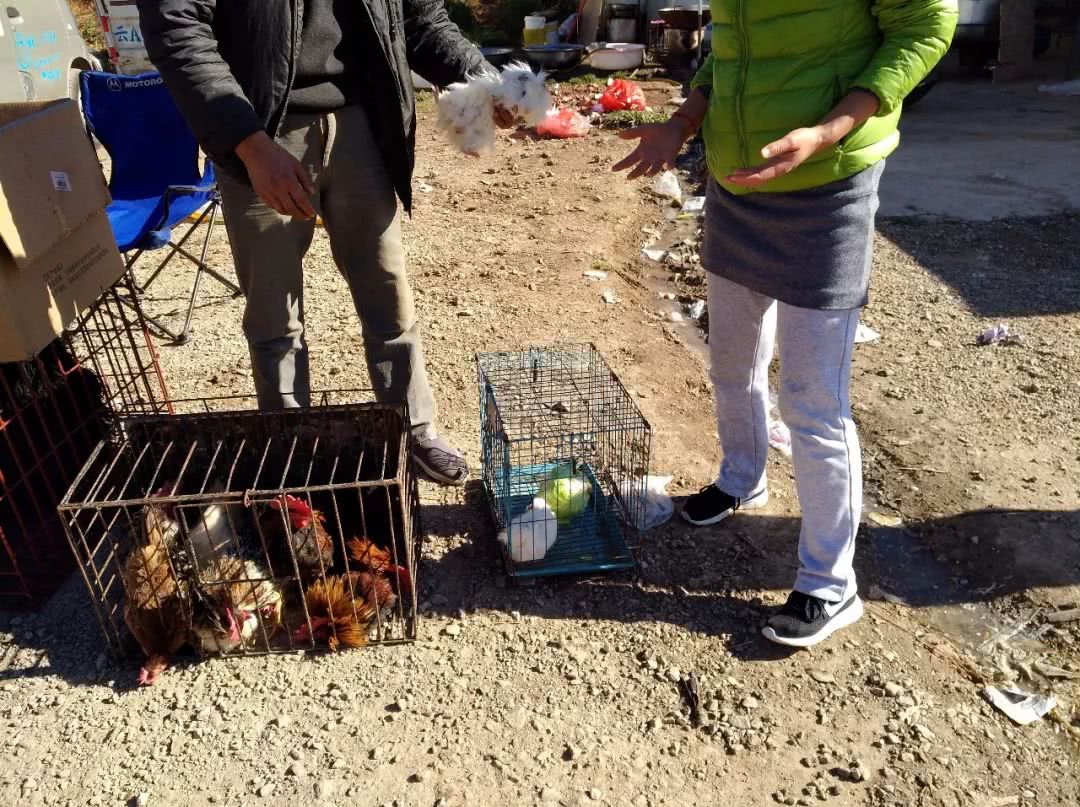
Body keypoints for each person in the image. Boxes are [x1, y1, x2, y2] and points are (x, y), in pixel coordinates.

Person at [614, 1, 957, 646]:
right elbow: (732, 48)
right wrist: (683, 122)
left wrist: (828, 130)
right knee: (731, 361)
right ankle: (743, 477)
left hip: (827, 188)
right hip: (737, 186)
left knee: (812, 400)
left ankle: (830, 583)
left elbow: (925, 26)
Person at [138, 0, 508, 486]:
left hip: (364, 124)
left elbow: (420, 18)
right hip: (264, 128)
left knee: (388, 293)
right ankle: (292, 448)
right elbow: (178, 28)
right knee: (274, 311)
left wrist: (491, 83)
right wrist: (249, 145)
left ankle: (413, 428)